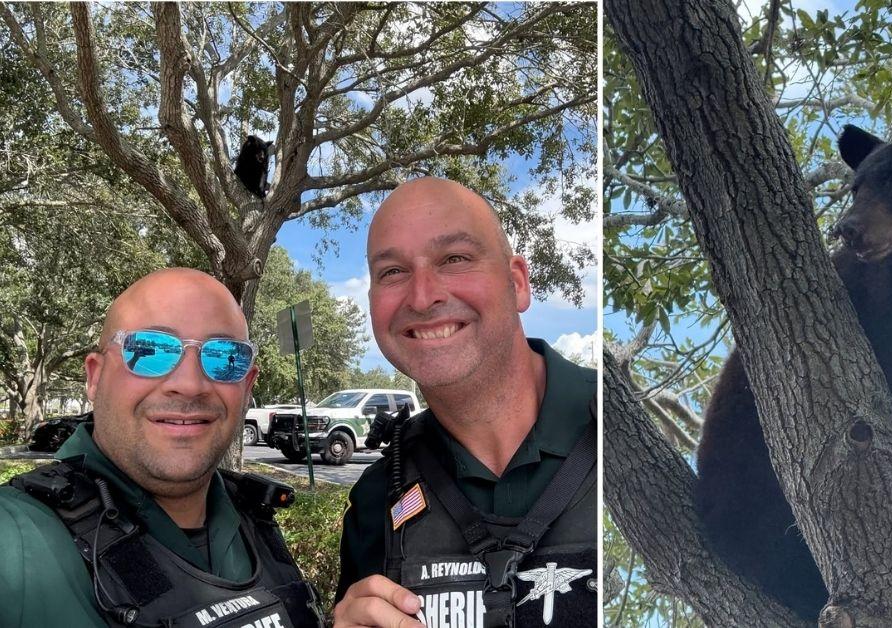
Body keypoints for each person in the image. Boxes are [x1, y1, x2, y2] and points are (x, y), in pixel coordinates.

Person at [334, 177, 598, 628]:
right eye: (393, 272)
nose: (423, 296)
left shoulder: (620, 421)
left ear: (517, 283)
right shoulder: (378, 497)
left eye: (454, 259)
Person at [0, 268, 322, 628]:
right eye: (150, 350)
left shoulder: (254, 518)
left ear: (247, 386)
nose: (190, 384)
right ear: (95, 377)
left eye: (224, 357)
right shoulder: (15, 543)